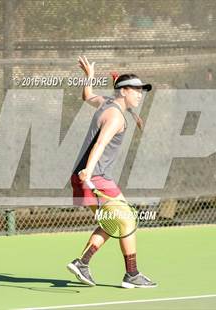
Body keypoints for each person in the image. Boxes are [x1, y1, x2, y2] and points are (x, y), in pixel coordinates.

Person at [67, 56, 157, 289]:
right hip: (94, 177)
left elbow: (87, 96)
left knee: (115, 221)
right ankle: (132, 274)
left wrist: (89, 78)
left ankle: (83, 263)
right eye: (136, 90)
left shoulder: (107, 102)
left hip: (90, 176)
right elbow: (100, 144)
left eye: (141, 91)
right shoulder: (116, 116)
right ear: (124, 91)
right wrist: (88, 170)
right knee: (126, 219)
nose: (140, 94)